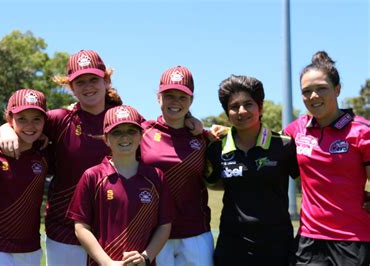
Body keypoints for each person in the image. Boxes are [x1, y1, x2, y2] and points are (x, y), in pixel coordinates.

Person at [0, 50, 124, 265]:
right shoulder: (59, 119)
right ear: (71, 87)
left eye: (94, 79)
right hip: (64, 232)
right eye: (80, 82)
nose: (88, 86)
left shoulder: (124, 119)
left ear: (106, 80)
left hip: (113, 230)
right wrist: (5, 129)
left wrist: (190, 120)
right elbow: (23, 122)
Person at [283, 51, 370, 265]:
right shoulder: (296, 130)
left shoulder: (362, 131)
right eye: (307, 91)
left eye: (321, 88)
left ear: (337, 89)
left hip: (353, 239)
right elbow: (257, 138)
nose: (313, 96)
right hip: (309, 239)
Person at [205, 75, 299, 265]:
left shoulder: (284, 145)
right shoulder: (216, 149)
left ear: (260, 107)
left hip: (277, 248)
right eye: (234, 106)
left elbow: (313, 185)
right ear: (226, 112)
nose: (241, 111)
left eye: (248, 104)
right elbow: (209, 183)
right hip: (232, 249)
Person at [67, 105, 172, 266]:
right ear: (106, 139)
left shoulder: (156, 177)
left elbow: (165, 225)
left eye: (131, 131)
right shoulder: (92, 176)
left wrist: (145, 257)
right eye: (117, 132)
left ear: (141, 135)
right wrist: (107, 262)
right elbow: (81, 228)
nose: (125, 138)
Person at [140, 66, 214, 265]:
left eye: (182, 97)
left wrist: (199, 125)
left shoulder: (203, 137)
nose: (175, 102)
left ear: (191, 101)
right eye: (169, 95)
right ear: (158, 97)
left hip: (195, 232)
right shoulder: (142, 131)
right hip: (153, 235)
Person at [0, 89, 50, 265]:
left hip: (31, 248)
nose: (30, 126)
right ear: (10, 120)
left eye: (36, 119)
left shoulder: (45, 154)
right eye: (22, 118)